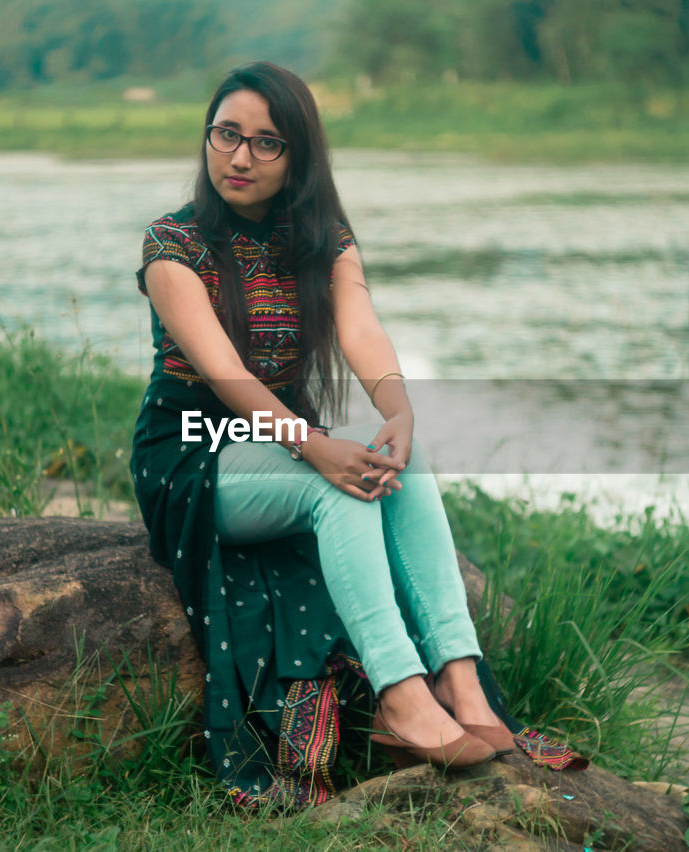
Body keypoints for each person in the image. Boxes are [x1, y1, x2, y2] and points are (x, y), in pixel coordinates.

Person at [130, 61, 584, 807]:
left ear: (298, 157)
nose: (239, 158)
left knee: (398, 465)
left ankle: (460, 682)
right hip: (193, 454)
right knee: (338, 493)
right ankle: (403, 700)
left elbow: (362, 331)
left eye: (266, 143)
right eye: (226, 135)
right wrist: (316, 447)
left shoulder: (321, 238)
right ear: (207, 137)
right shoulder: (172, 245)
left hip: (278, 442)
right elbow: (229, 380)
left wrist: (398, 416)